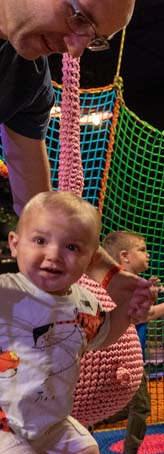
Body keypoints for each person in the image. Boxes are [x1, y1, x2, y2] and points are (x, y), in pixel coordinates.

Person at [0, 191, 139, 454]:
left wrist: (123, 312)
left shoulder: (83, 300)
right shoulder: (7, 292)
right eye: (40, 241)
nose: (53, 255)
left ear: (90, 259)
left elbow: (100, 338)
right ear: (15, 244)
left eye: (71, 247)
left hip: (50, 418)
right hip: (5, 417)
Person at [0, 0, 152, 321]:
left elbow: (38, 212)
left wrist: (106, 273)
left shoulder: (27, 82)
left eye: (94, 38)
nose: (75, 47)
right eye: (78, 18)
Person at [98, 231, 164, 454]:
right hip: (127, 360)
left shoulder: (118, 283)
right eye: (141, 249)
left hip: (117, 359)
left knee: (122, 405)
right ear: (125, 256)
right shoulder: (124, 285)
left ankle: (89, 423)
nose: (147, 253)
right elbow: (143, 316)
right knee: (139, 406)